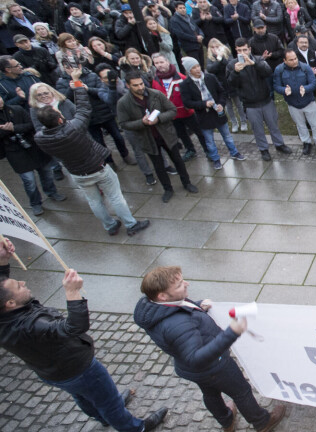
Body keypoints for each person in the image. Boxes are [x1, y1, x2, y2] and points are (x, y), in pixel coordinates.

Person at [0, 240, 168, 431]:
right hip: (78, 369)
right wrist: (72, 292)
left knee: (82, 396)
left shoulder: (4, 309)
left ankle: (101, 415)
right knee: (110, 402)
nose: (23, 282)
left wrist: (3, 259)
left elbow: (2, 287)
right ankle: (136, 428)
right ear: (11, 303)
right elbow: (74, 327)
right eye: (19, 287)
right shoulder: (30, 326)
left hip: (52, 372)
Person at [133, 266, 287, 432]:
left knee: (211, 394)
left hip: (192, 371)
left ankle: (226, 421)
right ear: (162, 295)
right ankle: (262, 422)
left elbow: (179, 308)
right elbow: (196, 357)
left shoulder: (153, 306)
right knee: (241, 391)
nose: (186, 284)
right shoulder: (178, 324)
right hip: (214, 366)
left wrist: (198, 305)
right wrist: (231, 332)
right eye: (179, 285)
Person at [35, 75, 150, 236]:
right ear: (60, 120)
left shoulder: (40, 138)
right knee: (116, 197)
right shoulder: (73, 128)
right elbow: (83, 108)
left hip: (77, 172)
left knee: (94, 201)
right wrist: (77, 84)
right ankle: (131, 224)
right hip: (97, 167)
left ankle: (110, 226)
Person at [116, 72, 200, 203]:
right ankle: (167, 189)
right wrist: (141, 123)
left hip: (166, 134)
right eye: (135, 85)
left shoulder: (156, 95)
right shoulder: (124, 103)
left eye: (141, 84)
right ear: (128, 85)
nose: (140, 87)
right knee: (158, 165)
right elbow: (123, 124)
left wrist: (159, 119)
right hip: (148, 138)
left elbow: (172, 110)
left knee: (177, 160)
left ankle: (187, 182)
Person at [227, 38, 292, 161]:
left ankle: (279, 144)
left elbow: (268, 72)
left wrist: (254, 64)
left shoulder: (258, 59)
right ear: (235, 50)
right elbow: (231, 84)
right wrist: (235, 72)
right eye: (239, 50)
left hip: (266, 100)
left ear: (249, 49)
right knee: (257, 129)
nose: (242, 53)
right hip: (250, 104)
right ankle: (263, 149)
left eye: (244, 50)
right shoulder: (232, 65)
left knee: (273, 125)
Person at [0, 94, 65, 216]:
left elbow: (31, 125)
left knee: (46, 173)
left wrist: (14, 128)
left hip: (33, 147)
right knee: (29, 180)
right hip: (15, 153)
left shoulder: (16, 109)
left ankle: (52, 192)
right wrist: (6, 131)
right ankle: (35, 203)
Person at [181, 56, 248, 169]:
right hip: (204, 116)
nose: (197, 69)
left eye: (198, 66)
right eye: (194, 68)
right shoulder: (185, 85)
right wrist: (203, 104)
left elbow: (221, 92)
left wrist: (221, 104)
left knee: (227, 136)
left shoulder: (210, 77)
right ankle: (216, 159)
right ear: (189, 71)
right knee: (210, 141)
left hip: (218, 113)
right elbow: (187, 102)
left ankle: (234, 153)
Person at [150, 53, 206, 162]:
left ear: (167, 62)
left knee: (199, 131)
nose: (159, 65)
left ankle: (207, 149)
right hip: (172, 115)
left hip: (187, 112)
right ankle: (190, 149)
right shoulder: (155, 80)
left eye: (161, 62)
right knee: (181, 134)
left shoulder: (181, 77)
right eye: (156, 63)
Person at [274, 49, 316, 155]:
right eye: (291, 60)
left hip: (308, 101)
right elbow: (276, 86)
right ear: (285, 60)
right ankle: (306, 142)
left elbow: (313, 83)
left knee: (315, 124)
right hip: (293, 104)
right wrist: (284, 90)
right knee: (300, 125)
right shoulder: (279, 70)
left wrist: (305, 89)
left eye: (295, 58)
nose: (294, 61)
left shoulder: (305, 67)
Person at [206, 38, 248, 133]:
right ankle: (234, 123)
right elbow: (211, 69)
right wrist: (218, 59)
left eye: (217, 46)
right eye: (212, 47)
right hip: (221, 86)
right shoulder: (210, 58)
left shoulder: (227, 53)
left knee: (238, 104)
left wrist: (221, 59)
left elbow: (230, 65)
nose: (215, 49)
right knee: (228, 106)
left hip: (231, 83)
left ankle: (243, 121)